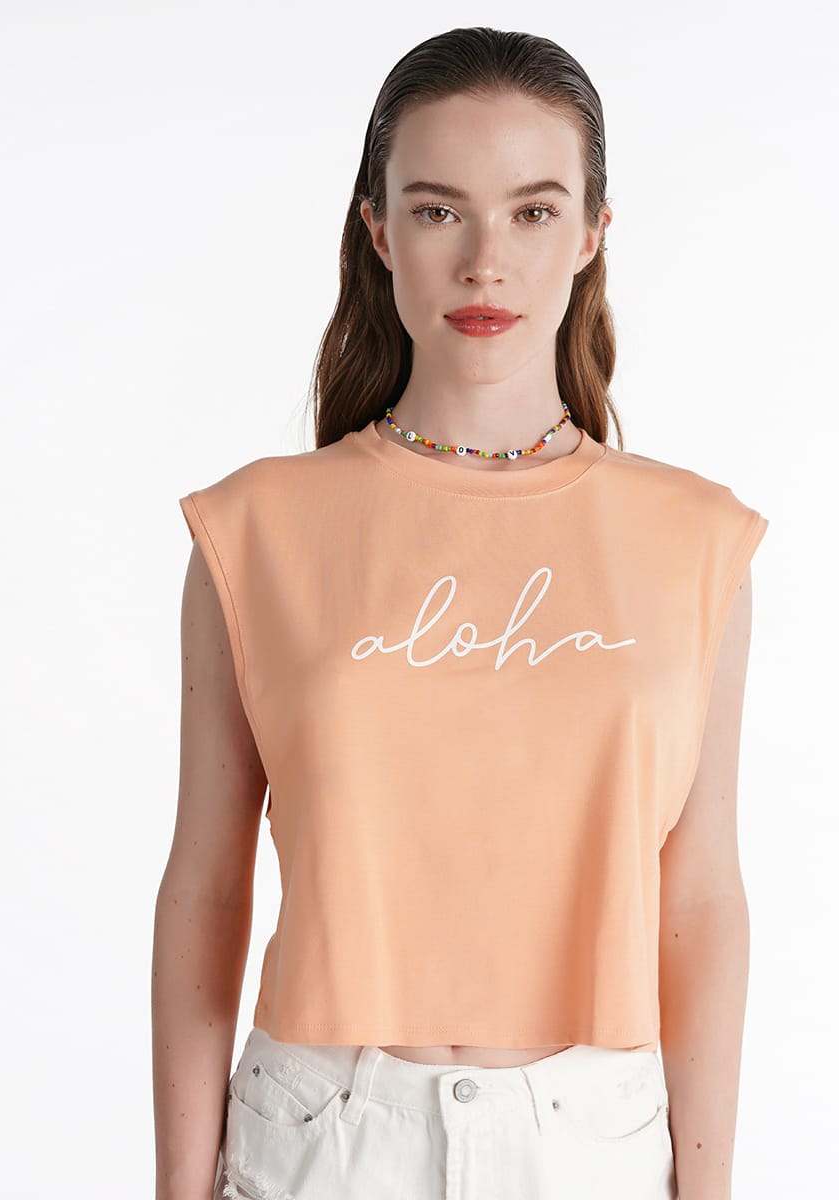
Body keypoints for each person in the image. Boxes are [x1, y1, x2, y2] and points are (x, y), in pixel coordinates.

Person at [153, 25, 769, 1200]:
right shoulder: (257, 530)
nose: (487, 262)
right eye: (439, 211)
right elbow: (206, 888)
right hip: (322, 1135)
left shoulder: (697, 541)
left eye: (534, 212)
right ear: (380, 231)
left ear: (592, 233)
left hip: (593, 1144)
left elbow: (700, 900)